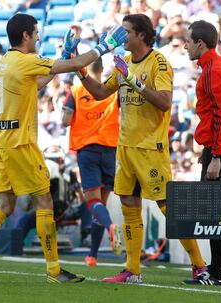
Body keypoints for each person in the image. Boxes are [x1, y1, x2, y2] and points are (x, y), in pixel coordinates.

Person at [0, 13, 128, 283]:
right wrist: (104, 47)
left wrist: (68, 53)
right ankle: (54, 270)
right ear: (25, 35)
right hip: (21, 141)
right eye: (35, 33)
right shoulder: (25, 60)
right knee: (44, 201)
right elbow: (77, 65)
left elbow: (34, 85)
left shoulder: (5, 63)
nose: (37, 36)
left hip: (3, 139)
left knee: (6, 204)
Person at [68, 13, 207, 283]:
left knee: (168, 206)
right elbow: (99, 93)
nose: (122, 37)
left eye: (126, 32)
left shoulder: (159, 63)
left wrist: (133, 80)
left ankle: (199, 266)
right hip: (126, 148)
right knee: (129, 205)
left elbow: (165, 103)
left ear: (141, 35)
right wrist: (79, 69)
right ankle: (132, 270)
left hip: (150, 148)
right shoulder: (125, 63)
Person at [183, 20, 221, 285]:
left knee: (213, 213)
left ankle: (218, 271)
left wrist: (216, 155)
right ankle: (220, 267)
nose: (185, 45)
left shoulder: (212, 70)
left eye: (188, 41)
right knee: (216, 211)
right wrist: (209, 149)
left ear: (200, 43)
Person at [62, 58, 122, 266]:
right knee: (101, 203)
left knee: (93, 202)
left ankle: (110, 227)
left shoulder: (76, 90)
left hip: (87, 149)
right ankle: (93, 255)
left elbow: (65, 120)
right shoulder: (112, 91)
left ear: (86, 70)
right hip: (110, 149)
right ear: (102, 70)